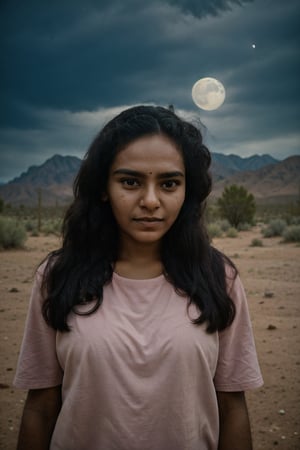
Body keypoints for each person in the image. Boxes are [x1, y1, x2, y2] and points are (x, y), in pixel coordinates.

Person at [14, 105, 263, 450]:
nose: (150, 201)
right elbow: (40, 408)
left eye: (169, 183)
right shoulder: (57, 277)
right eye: (130, 182)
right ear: (103, 187)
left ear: (187, 190)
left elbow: (232, 408)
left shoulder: (219, 279)